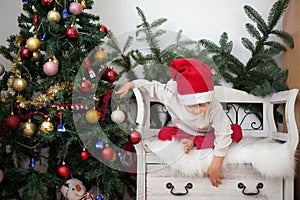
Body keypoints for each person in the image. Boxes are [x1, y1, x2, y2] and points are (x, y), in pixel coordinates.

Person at [116, 58, 242, 187]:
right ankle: (191, 142)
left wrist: (216, 165)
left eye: (203, 105)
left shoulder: (214, 106)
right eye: (192, 106)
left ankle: (195, 142)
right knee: (164, 134)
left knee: (235, 132)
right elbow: (152, 87)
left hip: (209, 134)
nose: (198, 110)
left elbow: (223, 132)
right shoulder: (171, 95)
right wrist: (131, 85)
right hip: (184, 133)